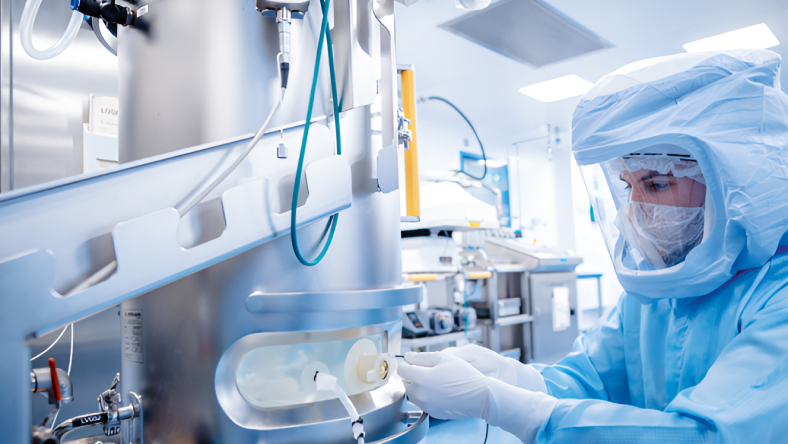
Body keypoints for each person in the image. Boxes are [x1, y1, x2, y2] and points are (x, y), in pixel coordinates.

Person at [398, 48, 788, 443]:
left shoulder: (778, 297)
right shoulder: (658, 287)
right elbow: (592, 377)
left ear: (734, 181)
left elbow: (704, 436)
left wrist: (505, 405)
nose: (633, 210)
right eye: (627, 186)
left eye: (655, 183)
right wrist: (514, 378)